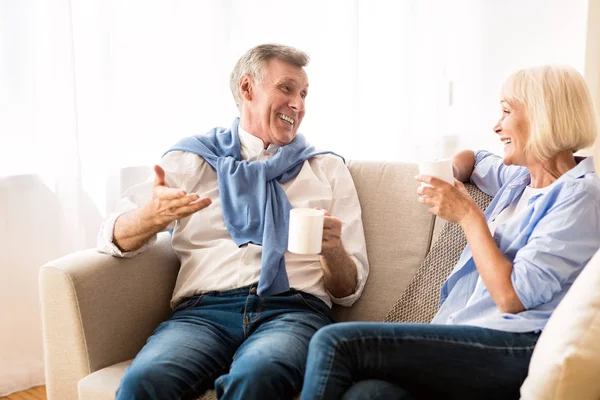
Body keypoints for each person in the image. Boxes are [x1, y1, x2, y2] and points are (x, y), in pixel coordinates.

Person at [300, 65, 600, 400]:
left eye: (506, 111)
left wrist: (468, 215)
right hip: (466, 335)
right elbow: (472, 157)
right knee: (370, 394)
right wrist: (449, 173)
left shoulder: (581, 197)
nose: (496, 125)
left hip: (515, 346)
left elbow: (512, 298)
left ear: (544, 116)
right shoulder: (519, 179)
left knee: (333, 341)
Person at [98, 44, 369, 400]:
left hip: (292, 313)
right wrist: (150, 217)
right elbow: (111, 237)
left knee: (259, 377)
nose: (299, 105)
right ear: (247, 89)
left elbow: (349, 291)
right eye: (287, 89)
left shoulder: (326, 168)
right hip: (202, 314)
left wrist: (331, 252)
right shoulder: (192, 159)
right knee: (142, 383)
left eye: (304, 94)